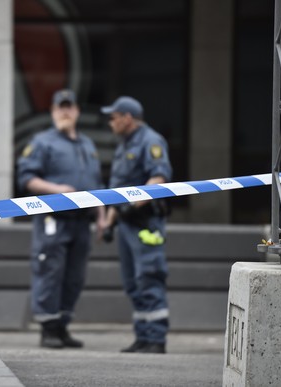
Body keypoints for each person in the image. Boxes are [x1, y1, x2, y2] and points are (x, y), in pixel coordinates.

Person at [17, 89, 106, 349]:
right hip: (54, 219)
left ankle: (63, 326)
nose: (65, 112)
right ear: (53, 112)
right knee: (50, 272)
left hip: (82, 221)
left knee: (75, 276)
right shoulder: (42, 142)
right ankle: (49, 329)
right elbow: (26, 179)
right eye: (60, 108)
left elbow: (96, 183)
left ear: (77, 111)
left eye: (69, 107)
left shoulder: (87, 144)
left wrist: (101, 215)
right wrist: (58, 190)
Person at [100, 96, 172, 354]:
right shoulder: (124, 145)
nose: (110, 122)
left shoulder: (150, 141)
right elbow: (116, 191)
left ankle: (156, 337)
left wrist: (134, 205)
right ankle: (143, 335)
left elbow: (158, 178)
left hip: (145, 223)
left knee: (149, 275)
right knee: (132, 281)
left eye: (113, 117)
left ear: (127, 118)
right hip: (126, 224)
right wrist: (109, 223)